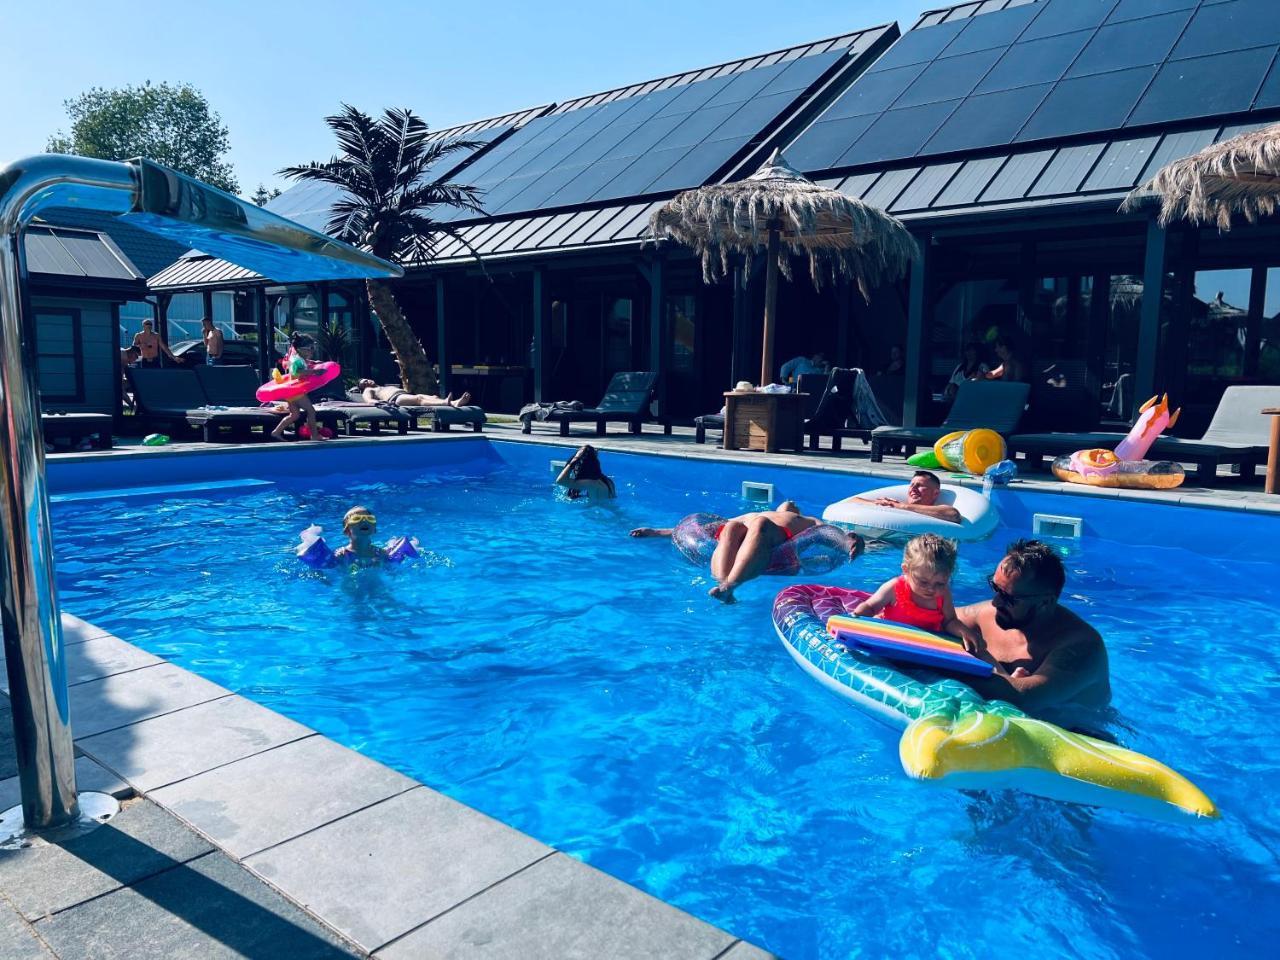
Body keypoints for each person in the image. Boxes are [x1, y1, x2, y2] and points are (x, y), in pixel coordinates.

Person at [956, 539, 1110, 717]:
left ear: (1045, 602)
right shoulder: (989, 615)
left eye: (1009, 598)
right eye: (995, 587)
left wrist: (949, 670)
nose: (995, 602)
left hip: (1076, 729)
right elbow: (940, 616)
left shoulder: (1082, 647)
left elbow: (1023, 697)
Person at [631, 501, 863, 604]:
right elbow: (710, 527)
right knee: (731, 526)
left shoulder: (806, 519)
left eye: (794, 504)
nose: (790, 502)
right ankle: (723, 586)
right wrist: (657, 531)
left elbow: (828, 535)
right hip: (745, 533)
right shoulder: (753, 513)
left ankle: (729, 586)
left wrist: (850, 543)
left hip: (774, 536)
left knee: (760, 523)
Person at [850, 534, 981, 650]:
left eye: (940, 583)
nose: (931, 589)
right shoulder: (894, 588)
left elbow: (949, 621)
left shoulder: (944, 594)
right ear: (906, 570)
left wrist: (963, 631)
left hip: (922, 646)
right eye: (923, 582)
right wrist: (856, 617)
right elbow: (871, 607)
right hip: (888, 639)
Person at [270, 334, 326, 442]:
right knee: (311, 411)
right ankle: (314, 435)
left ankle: (276, 432)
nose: (312, 351)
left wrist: (314, 363)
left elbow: (303, 364)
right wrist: (314, 371)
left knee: (294, 415)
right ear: (300, 349)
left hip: (291, 392)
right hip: (296, 392)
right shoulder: (297, 360)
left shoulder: (298, 358)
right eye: (310, 348)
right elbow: (296, 372)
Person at [855, 470, 961, 524]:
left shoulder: (939, 511)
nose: (913, 488)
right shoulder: (891, 504)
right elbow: (852, 500)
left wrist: (899, 506)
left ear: (935, 493)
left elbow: (953, 515)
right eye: (912, 485)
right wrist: (878, 504)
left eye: (919, 485)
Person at [356, 379, 472, 408]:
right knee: (419, 398)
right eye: (364, 383)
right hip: (395, 399)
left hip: (402, 395)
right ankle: (446, 403)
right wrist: (381, 403)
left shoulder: (381, 386)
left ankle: (454, 402)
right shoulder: (367, 390)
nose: (367, 382)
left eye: (366, 380)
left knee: (433, 397)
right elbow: (368, 400)